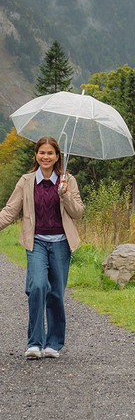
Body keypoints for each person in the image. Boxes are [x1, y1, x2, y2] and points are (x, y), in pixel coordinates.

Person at [0, 135, 84, 359]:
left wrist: (65, 196)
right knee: (37, 287)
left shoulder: (67, 180)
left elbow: (78, 213)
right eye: (41, 152)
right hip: (35, 242)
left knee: (56, 293)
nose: (45, 156)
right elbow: (10, 210)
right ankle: (35, 343)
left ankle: (53, 344)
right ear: (36, 155)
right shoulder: (26, 181)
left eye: (50, 153)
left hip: (60, 244)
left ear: (57, 156)